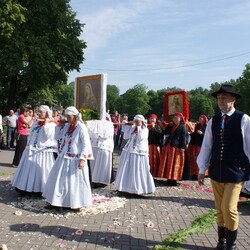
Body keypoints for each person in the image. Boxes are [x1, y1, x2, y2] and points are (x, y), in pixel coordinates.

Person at [197, 84, 250, 250]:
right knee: (220, 209)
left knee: (229, 208)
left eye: (224, 97)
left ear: (233, 100)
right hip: (217, 171)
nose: (220, 100)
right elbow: (207, 146)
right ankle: (221, 241)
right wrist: (201, 168)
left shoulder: (244, 119)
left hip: (236, 172)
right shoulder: (214, 120)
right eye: (219, 98)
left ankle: (231, 245)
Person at [43, 106, 93, 210]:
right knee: (58, 180)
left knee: (73, 182)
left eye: (69, 117)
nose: (67, 119)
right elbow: (57, 137)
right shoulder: (66, 126)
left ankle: (74, 203)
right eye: (66, 117)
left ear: (75, 117)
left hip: (75, 158)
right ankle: (56, 202)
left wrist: (83, 159)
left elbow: (86, 144)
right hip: (63, 157)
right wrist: (58, 126)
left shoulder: (81, 127)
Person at [12, 105, 57, 196]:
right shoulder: (36, 123)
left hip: (42, 152)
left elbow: (48, 136)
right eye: (39, 112)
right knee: (27, 170)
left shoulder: (51, 124)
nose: (39, 113)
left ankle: (39, 189)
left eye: (41, 112)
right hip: (32, 149)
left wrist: (46, 124)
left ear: (47, 113)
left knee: (40, 171)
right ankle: (24, 188)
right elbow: (31, 132)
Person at [114, 114, 155, 195]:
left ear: (142, 122)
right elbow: (126, 137)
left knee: (138, 169)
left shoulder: (144, 130)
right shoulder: (133, 128)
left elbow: (140, 138)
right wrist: (129, 127)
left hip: (139, 152)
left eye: (137, 121)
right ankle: (125, 187)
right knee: (127, 169)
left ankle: (138, 188)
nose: (136, 122)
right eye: (135, 121)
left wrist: (138, 127)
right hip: (129, 151)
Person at [157, 112, 188, 186]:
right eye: (174, 118)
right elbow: (165, 133)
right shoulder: (171, 126)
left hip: (176, 147)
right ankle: (169, 178)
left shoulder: (182, 127)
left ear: (180, 119)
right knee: (168, 163)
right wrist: (166, 126)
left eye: (177, 118)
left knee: (175, 163)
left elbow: (184, 138)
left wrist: (183, 147)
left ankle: (174, 179)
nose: (175, 119)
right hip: (169, 146)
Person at [86, 113, 114, 187]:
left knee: (102, 165)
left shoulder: (109, 125)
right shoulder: (96, 125)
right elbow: (91, 133)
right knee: (94, 165)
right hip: (95, 146)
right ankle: (93, 180)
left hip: (104, 147)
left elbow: (106, 134)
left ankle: (101, 181)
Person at [187, 114, 208, 180]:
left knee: (198, 160)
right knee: (192, 159)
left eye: (201, 119)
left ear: (204, 120)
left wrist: (202, 133)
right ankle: (192, 173)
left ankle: (198, 174)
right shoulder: (196, 126)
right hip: (193, 144)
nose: (199, 120)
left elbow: (207, 136)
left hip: (200, 145)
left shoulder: (206, 127)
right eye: (199, 118)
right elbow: (191, 132)